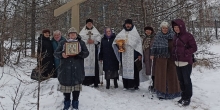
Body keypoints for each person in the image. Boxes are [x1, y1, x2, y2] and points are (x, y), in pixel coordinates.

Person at [54, 27, 89, 110]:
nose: (72, 35)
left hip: (78, 68)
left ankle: (75, 102)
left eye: (74, 33)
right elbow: (56, 53)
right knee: (66, 87)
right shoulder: (63, 43)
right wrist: (62, 54)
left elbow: (86, 53)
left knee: (76, 87)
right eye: (71, 33)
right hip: (65, 69)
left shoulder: (81, 43)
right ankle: (66, 102)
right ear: (68, 35)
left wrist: (79, 54)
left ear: (76, 35)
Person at [150, 21, 181, 99]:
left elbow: (177, 46)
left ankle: (173, 92)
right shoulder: (158, 36)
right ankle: (161, 92)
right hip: (161, 59)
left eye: (166, 28)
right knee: (161, 76)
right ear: (161, 28)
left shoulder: (173, 36)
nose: (165, 29)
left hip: (171, 59)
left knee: (172, 76)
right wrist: (152, 54)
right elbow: (154, 46)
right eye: (163, 28)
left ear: (168, 28)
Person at [172, 19, 197, 106]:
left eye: (177, 27)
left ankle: (188, 98)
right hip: (177, 62)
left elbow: (194, 48)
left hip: (186, 62)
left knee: (186, 81)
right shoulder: (175, 36)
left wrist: (185, 53)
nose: (176, 28)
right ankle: (183, 96)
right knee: (181, 81)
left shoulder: (188, 36)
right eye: (174, 27)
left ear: (181, 27)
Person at [113, 19, 143, 90]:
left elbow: (139, 44)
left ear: (131, 24)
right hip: (124, 54)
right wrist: (119, 46)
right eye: (127, 24)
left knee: (135, 70)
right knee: (125, 70)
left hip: (134, 55)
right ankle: (126, 85)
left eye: (129, 24)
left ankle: (135, 85)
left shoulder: (135, 33)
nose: (128, 25)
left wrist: (139, 54)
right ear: (125, 24)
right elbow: (115, 42)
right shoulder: (121, 33)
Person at [79, 18, 101, 87]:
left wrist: (94, 41)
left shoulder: (95, 31)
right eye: (88, 23)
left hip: (93, 50)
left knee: (94, 65)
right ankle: (85, 81)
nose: (89, 24)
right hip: (85, 50)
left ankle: (95, 81)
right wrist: (86, 41)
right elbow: (80, 40)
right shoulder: (82, 32)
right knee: (85, 65)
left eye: (90, 23)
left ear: (92, 24)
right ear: (86, 24)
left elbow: (99, 39)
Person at [142, 26, 156, 90]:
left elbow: (154, 47)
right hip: (147, 57)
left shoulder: (154, 38)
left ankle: (155, 85)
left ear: (151, 31)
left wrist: (153, 54)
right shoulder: (145, 39)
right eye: (146, 31)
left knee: (154, 71)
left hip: (152, 57)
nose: (148, 32)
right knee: (150, 71)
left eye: (149, 31)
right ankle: (153, 85)